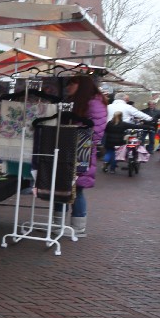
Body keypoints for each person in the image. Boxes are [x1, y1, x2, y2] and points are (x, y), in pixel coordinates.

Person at [63, 75, 107, 236]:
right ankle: (61, 224)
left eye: (72, 84)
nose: (68, 87)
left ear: (81, 86)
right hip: (74, 150)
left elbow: (96, 131)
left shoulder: (93, 103)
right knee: (68, 188)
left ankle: (78, 227)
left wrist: (74, 137)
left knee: (77, 189)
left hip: (81, 152)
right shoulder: (82, 101)